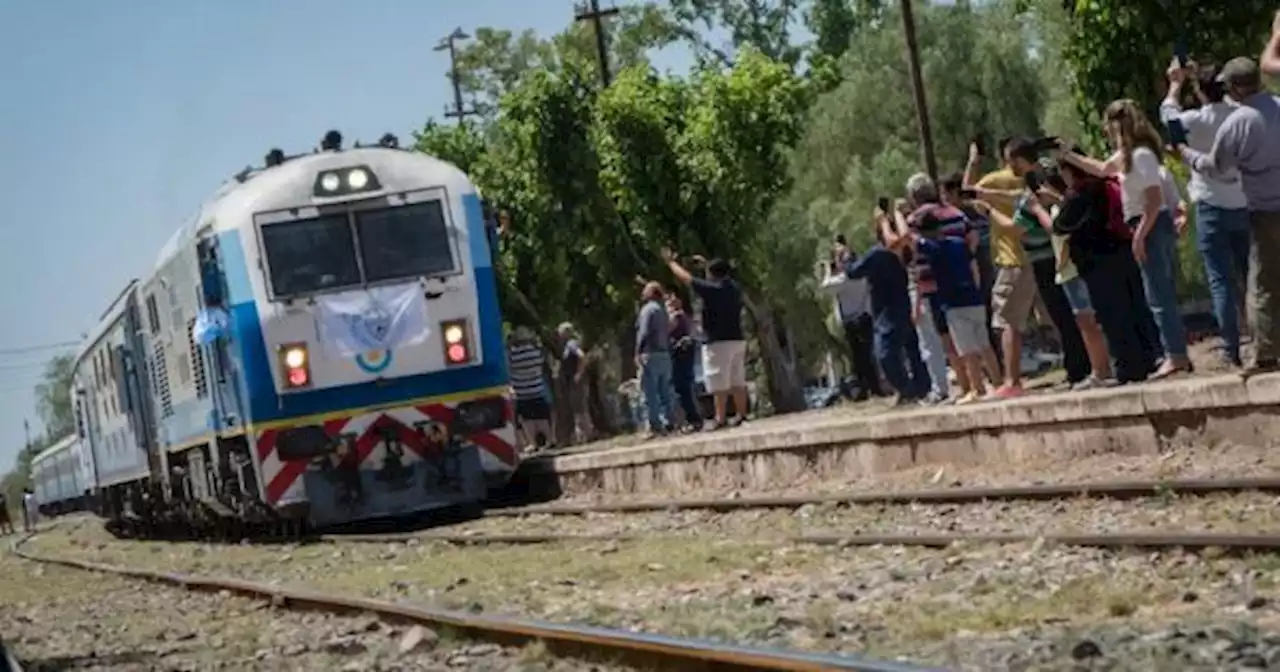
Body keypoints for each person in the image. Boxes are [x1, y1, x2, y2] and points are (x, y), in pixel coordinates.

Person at [1061, 100, 1193, 380]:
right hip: (1147, 226)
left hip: (1150, 226)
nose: (1106, 130)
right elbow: (1103, 169)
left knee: (1159, 295)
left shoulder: (1141, 155)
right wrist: (1068, 155)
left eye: (1109, 124)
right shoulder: (1128, 156)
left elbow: (1154, 200)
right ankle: (1174, 352)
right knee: (1156, 293)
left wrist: (1139, 236)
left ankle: (1176, 355)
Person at [1177, 56, 1280, 375]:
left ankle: (1264, 353)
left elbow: (1216, 166)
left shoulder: (1238, 122)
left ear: (1235, 87)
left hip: (1264, 210)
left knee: (1262, 282)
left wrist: (1186, 155)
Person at [1162, 59, 1252, 368]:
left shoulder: (1195, 120)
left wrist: (1175, 83)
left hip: (1211, 205)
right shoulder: (1241, 116)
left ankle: (1231, 348)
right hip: (1244, 201)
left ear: (1200, 90)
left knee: (1220, 280)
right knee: (1252, 276)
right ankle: (1266, 338)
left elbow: (1167, 116)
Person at [1053, 148, 1158, 384]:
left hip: (1098, 261)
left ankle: (1127, 367)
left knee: (1113, 315)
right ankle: (1148, 358)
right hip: (1122, 250)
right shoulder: (1107, 184)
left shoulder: (1080, 193)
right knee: (1134, 307)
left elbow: (1061, 225)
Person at [966, 137, 1046, 399]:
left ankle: (1012, 381)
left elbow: (968, 190)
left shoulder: (999, 179)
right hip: (1038, 256)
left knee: (1007, 321)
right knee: (1052, 316)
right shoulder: (1037, 180)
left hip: (1012, 259)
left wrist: (973, 161)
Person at [1016, 157, 1094, 390]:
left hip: (1059, 262)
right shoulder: (1037, 203)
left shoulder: (1060, 202)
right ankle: (1077, 366)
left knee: (1073, 317)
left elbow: (1055, 228)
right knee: (1063, 318)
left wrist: (1039, 209)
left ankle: (1082, 367)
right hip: (1048, 263)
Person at [897, 173, 976, 403]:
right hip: (961, 281)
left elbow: (905, 241)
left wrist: (896, 215)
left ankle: (947, 388)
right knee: (966, 337)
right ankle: (974, 383)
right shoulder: (956, 214)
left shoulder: (915, 220)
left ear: (913, 196)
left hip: (928, 285)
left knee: (937, 341)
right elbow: (971, 238)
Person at [909, 211, 997, 403]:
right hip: (973, 297)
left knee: (967, 349)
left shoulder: (932, 248)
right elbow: (972, 265)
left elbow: (912, 239)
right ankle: (998, 383)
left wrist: (896, 216)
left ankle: (977, 389)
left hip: (954, 302)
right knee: (984, 344)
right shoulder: (959, 244)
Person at [847, 209, 930, 405]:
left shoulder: (877, 254)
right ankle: (921, 388)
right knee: (913, 351)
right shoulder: (905, 250)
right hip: (905, 306)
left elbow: (853, 271)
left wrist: (847, 258)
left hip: (888, 313)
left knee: (885, 355)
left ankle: (907, 389)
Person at [662, 249, 749, 429]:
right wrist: (707, 264)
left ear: (712, 274)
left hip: (718, 342)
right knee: (737, 381)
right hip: (737, 339)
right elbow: (717, 274)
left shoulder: (711, 289)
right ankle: (741, 414)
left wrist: (671, 263)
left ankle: (720, 418)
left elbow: (687, 278)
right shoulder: (734, 288)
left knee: (718, 382)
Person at [1044, 170, 1114, 387]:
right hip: (1065, 273)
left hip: (1071, 271)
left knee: (1089, 322)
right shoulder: (1057, 208)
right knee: (1083, 322)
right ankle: (1098, 368)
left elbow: (1062, 236)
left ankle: (1102, 369)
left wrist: (1061, 263)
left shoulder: (1065, 208)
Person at [821, 244, 883, 401]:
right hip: (866, 317)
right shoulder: (864, 274)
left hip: (853, 321)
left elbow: (826, 286)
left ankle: (867, 389)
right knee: (866, 355)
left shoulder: (844, 278)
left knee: (859, 357)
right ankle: (873, 387)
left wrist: (829, 268)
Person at [635, 281, 678, 438]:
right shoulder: (663, 310)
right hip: (664, 353)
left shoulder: (648, 310)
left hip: (650, 353)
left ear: (651, 293)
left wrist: (638, 351)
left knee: (649, 392)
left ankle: (654, 425)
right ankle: (670, 421)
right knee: (665, 390)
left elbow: (644, 332)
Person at [507, 326, 553, 451]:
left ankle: (533, 443)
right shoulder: (536, 352)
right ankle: (550, 439)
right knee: (542, 417)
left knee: (527, 419)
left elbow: (508, 369)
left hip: (521, 391)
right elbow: (543, 363)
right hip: (537, 388)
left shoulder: (512, 355)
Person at [667, 293, 703, 432]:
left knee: (682, 387)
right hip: (686, 353)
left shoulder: (677, 316)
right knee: (686, 386)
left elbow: (667, 329)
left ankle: (692, 419)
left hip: (681, 353)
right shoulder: (686, 317)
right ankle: (693, 418)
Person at [556, 322, 595, 443]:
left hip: (577, 381)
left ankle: (585, 434)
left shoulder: (571, 344)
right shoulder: (570, 344)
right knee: (578, 407)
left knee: (579, 408)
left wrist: (578, 374)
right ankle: (584, 434)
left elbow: (582, 356)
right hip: (574, 381)